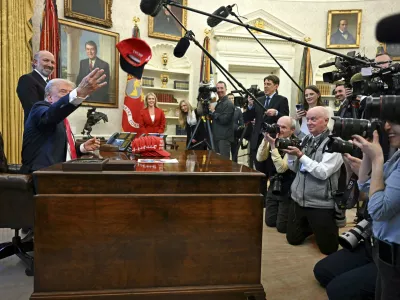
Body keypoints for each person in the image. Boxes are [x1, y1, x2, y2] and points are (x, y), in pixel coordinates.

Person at [313, 155, 378, 300]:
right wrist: (353, 171)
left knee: (337, 291)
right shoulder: (393, 158)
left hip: (392, 255)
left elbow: (383, 209)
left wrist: (374, 174)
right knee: (322, 271)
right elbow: (357, 199)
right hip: (373, 243)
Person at [21, 68, 105, 174]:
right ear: (49, 97)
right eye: (63, 92)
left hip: (62, 172)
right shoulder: (39, 108)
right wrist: (78, 93)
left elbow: (61, 149)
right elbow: (50, 116)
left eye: (70, 93)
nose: (68, 95)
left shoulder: (61, 118)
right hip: (42, 175)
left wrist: (82, 148)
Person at [351, 119, 400, 299]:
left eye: (395, 121)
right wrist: (367, 154)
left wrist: (378, 159)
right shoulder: (398, 155)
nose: (387, 127)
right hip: (384, 251)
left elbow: (378, 210)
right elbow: (366, 184)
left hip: (395, 255)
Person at [284, 106, 343, 255]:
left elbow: (323, 172)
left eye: (314, 119)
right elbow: (294, 168)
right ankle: (311, 225)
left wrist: (300, 155)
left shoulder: (335, 143)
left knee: (329, 249)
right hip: (298, 199)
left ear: (326, 121)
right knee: (293, 239)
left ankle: (322, 224)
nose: (309, 122)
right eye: (308, 119)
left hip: (320, 202)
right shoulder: (306, 139)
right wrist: (291, 154)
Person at [248, 75, 289, 192]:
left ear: (276, 86)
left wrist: (276, 113)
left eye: (269, 84)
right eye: (264, 84)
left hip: (272, 141)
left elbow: (286, 118)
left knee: (271, 171)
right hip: (258, 140)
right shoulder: (258, 100)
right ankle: (261, 199)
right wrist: (250, 106)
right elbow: (248, 118)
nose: (265, 86)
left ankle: (271, 198)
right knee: (259, 173)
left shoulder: (282, 100)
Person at [257, 116, 297, 233]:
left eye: (284, 127)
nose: (279, 130)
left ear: (292, 130)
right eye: (278, 126)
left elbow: (282, 168)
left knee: (282, 227)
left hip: (287, 187)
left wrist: (273, 147)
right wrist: (265, 140)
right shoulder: (273, 139)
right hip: (274, 184)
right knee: (270, 222)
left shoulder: (294, 143)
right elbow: (260, 158)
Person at [17, 50, 55, 123]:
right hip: (39, 130)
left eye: (52, 62)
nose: (50, 65)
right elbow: (34, 109)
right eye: (46, 60)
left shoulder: (51, 83)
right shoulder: (27, 79)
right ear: (35, 62)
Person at [209, 81, 235, 158]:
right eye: (217, 88)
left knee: (224, 163)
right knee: (216, 163)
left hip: (224, 139)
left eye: (221, 88)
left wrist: (213, 112)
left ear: (226, 89)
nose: (219, 90)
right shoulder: (217, 103)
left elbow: (224, 119)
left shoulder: (229, 104)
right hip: (216, 137)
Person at [227, 93, 244, 162]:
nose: (231, 100)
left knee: (235, 154)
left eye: (232, 98)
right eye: (229, 98)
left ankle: (235, 170)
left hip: (235, 136)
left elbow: (241, 122)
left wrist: (240, 130)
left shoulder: (238, 110)